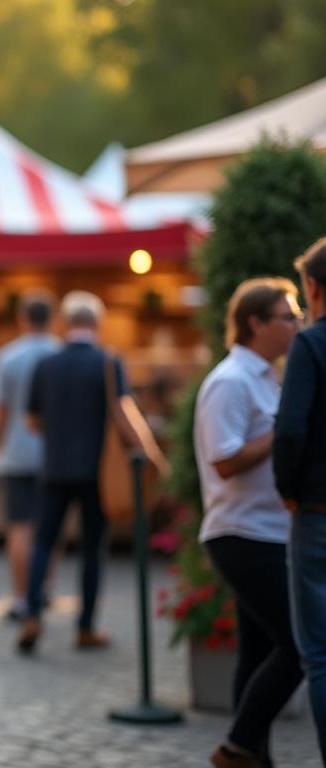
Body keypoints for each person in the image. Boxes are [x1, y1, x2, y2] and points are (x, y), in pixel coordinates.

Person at [17, 291, 167, 654]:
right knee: (91, 549)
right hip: (97, 472)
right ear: (97, 323)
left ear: (65, 323)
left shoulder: (47, 364)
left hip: (54, 467)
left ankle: (32, 613)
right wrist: (152, 456)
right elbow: (124, 414)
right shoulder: (107, 362)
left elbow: (32, 421)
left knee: (44, 542)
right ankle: (85, 626)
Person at [198, 278, 303, 768]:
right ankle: (238, 746)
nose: (297, 324)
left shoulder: (263, 378)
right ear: (256, 323)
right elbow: (224, 460)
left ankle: (253, 757)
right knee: (298, 644)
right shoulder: (231, 381)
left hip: (265, 531)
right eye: (288, 316)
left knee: (258, 650)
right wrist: (283, 432)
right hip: (242, 533)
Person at [275, 236, 326, 763]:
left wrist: (287, 489)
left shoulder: (310, 345)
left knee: (320, 654)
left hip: (317, 511)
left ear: (312, 287)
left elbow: (289, 430)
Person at [0, 290, 60, 621]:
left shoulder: (8, 357)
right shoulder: (59, 354)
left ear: (22, 318)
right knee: (50, 526)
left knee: (20, 527)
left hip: (16, 452)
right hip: (53, 454)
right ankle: (44, 588)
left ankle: (20, 597)